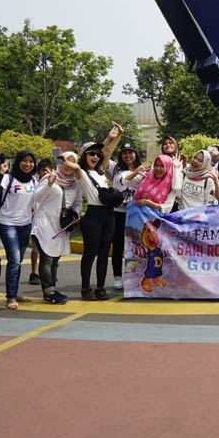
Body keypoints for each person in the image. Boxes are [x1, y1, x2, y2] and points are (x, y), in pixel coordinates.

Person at [76, 123, 123, 301]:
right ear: (84, 156)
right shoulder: (81, 172)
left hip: (108, 215)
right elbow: (72, 163)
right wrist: (108, 138)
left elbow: (106, 152)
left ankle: (100, 287)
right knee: (90, 252)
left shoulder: (101, 171)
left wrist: (118, 136)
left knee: (104, 253)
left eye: (97, 154)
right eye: (91, 154)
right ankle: (86, 287)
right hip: (93, 215)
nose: (95, 157)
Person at [0, 150, 38, 310]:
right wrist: (0, 174)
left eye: (31, 161)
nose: (28, 164)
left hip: (25, 224)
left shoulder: (33, 181)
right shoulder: (8, 178)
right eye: (24, 160)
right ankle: (10, 296)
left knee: (18, 261)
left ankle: (14, 292)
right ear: (18, 162)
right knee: (14, 260)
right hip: (7, 223)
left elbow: (37, 202)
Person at [31, 152, 80, 304]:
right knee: (46, 258)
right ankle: (48, 291)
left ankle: (52, 289)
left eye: (71, 162)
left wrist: (76, 214)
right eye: (65, 161)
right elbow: (36, 197)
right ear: (60, 162)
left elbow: (77, 203)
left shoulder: (75, 183)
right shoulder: (49, 177)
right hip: (45, 224)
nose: (67, 166)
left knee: (55, 258)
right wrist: (49, 184)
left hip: (61, 227)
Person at [111, 142, 143, 289]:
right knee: (118, 246)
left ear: (136, 154)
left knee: (136, 247)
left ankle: (135, 276)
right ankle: (117, 276)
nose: (128, 155)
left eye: (130, 152)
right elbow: (125, 181)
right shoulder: (115, 169)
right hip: (118, 213)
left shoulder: (143, 170)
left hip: (135, 214)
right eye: (124, 153)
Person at [28, 157, 54, 286]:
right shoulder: (34, 183)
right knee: (36, 249)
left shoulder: (54, 182)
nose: (45, 173)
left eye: (48, 170)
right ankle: (34, 272)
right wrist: (31, 211)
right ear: (38, 172)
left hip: (49, 221)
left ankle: (49, 274)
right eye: (43, 170)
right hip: (35, 220)